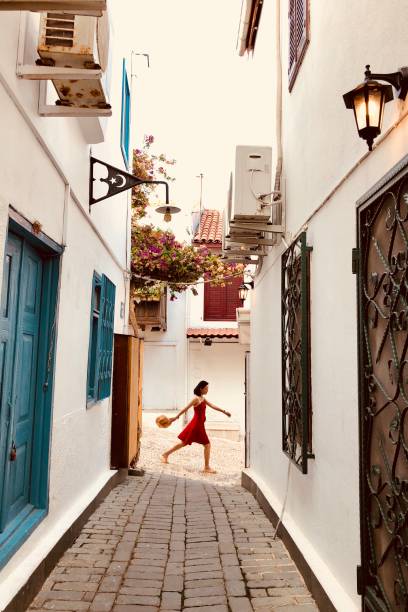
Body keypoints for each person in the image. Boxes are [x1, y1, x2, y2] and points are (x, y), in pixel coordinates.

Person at [160, 380, 231, 474]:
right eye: (206, 388)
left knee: (185, 443)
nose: (207, 390)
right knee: (206, 445)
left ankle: (165, 454)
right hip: (196, 425)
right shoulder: (196, 399)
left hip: (199, 425)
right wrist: (176, 417)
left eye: (207, 388)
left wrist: (224, 411)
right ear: (201, 389)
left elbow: (212, 405)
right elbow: (186, 408)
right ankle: (206, 467)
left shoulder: (203, 398)